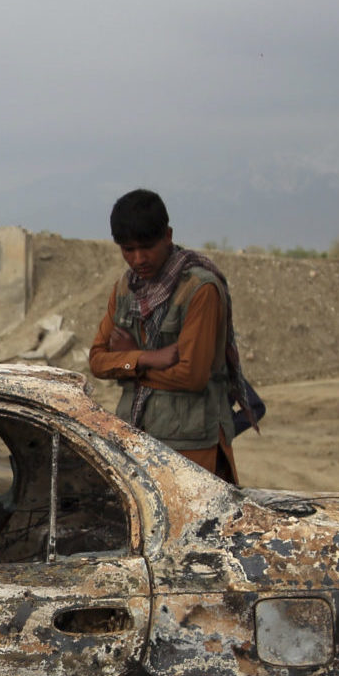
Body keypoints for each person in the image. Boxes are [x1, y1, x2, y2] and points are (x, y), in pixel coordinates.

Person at [86, 189, 244, 483]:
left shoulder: (199, 289)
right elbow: (96, 361)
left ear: (168, 236)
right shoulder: (125, 289)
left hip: (192, 449)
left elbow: (192, 376)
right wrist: (147, 357)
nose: (138, 259)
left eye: (146, 247)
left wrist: (131, 367)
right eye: (128, 250)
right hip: (136, 441)